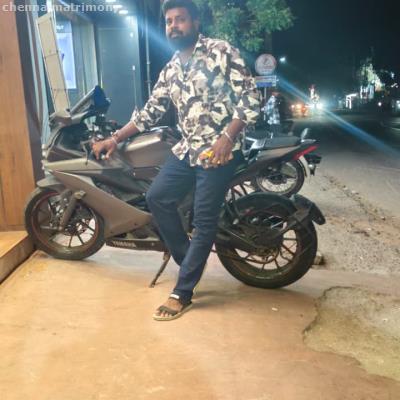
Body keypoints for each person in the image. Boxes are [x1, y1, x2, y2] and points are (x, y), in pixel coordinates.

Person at [92, 0, 260, 321]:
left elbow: (250, 96)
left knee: (204, 221)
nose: (173, 26)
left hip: (219, 149)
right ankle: (189, 261)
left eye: (180, 19)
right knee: (157, 197)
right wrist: (114, 139)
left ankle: (182, 292)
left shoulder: (220, 51)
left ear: (195, 22)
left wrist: (227, 138)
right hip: (188, 149)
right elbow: (150, 112)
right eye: (169, 21)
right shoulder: (171, 68)